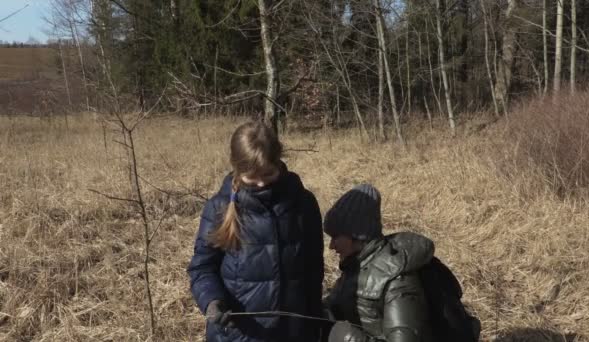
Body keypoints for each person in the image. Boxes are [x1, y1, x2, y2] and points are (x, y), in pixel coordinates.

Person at [187, 121, 324, 342]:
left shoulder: (303, 203)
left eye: (268, 174)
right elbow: (202, 267)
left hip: (294, 333)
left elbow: (314, 269)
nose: (261, 184)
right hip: (239, 335)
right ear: (237, 169)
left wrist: (315, 325)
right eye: (252, 176)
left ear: (278, 162)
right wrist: (211, 300)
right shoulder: (219, 208)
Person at [323, 184, 448, 342]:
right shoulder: (354, 266)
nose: (331, 246)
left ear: (357, 235)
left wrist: (347, 338)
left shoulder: (397, 280)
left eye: (335, 237)